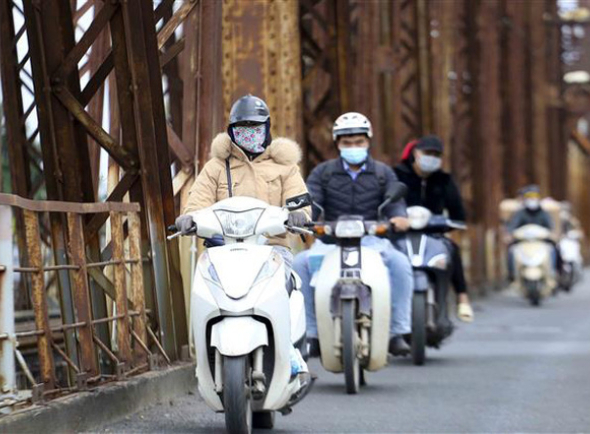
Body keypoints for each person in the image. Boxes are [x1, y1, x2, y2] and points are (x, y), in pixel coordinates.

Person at [175, 94, 310, 376]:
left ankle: (289, 350)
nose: (249, 133)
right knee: (206, 290)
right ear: (231, 130)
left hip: (272, 249)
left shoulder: (285, 167)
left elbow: (299, 200)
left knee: (284, 288)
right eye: (242, 128)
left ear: (267, 128)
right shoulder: (216, 167)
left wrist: (299, 214)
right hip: (223, 251)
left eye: (255, 127)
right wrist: (189, 218)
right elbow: (197, 202)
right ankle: (207, 351)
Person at [292, 112, 414, 357]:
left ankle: (397, 332)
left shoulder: (383, 173)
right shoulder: (323, 172)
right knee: (300, 264)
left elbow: (394, 203)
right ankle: (312, 334)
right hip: (331, 241)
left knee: (401, 264)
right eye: (347, 143)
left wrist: (399, 217)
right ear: (337, 144)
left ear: (368, 141)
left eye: (359, 142)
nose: (353, 147)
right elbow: (311, 200)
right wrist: (304, 216)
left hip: (372, 240)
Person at [394, 136, 474, 322]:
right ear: (416, 153)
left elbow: (458, 213)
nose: (432, 158)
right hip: (400, 233)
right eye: (427, 153)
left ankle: (462, 297)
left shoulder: (444, 180)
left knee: (451, 249)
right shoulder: (397, 175)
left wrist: (449, 223)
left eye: (436, 155)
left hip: (433, 234)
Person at [505, 185, 555, 281]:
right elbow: (512, 226)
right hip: (524, 243)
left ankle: (552, 273)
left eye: (534, 196)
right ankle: (512, 276)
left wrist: (551, 235)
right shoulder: (520, 213)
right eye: (529, 196)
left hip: (540, 242)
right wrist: (510, 235)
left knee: (552, 249)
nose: (532, 199)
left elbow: (550, 227)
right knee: (512, 251)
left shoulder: (543, 213)